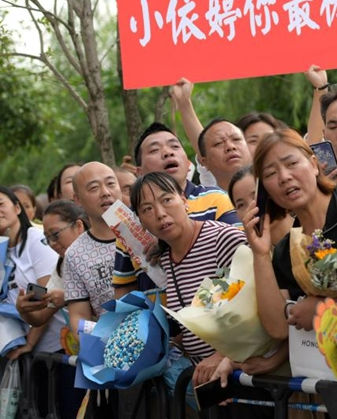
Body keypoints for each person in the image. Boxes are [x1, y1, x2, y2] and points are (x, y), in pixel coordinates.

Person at [249, 128, 337, 340]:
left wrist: (327, 308)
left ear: (313, 165)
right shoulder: (286, 250)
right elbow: (278, 329)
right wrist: (261, 254)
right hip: (327, 368)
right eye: (271, 174)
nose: (284, 177)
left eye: (291, 164)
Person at [129, 172, 248, 386]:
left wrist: (221, 355)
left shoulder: (222, 240)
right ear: (141, 222)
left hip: (241, 374)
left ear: (184, 200)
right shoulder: (165, 259)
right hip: (206, 381)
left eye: (166, 200)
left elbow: (254, 310)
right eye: (147, 209)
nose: (160, 213)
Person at [114, 122, 240, 298]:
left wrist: (171, 241)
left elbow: (241, 258)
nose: (167, 152)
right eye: (154, 150)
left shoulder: (218, 199)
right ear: (139, 172)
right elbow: (124, 291)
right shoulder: (129, 224)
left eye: (174, 146)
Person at [15, 200, 88, 419]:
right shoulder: (62, 265)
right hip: (82, 358)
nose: (53, 244)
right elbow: (39, 317)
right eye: (48, 239)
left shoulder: (106, 251)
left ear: (79, 226)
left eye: (56, 234)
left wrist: (68, 297)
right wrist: (23, 309)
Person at [0, 186, 62, 359]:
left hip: (54, 349)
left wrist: (30, 343)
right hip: (20, 351)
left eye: (0, 204)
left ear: (17, 208)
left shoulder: (36, 239)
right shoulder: (2, 250)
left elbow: (47, 296)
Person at [64, 162, 122, 333]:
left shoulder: (147, 226)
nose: (105, 192)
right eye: (94, 188)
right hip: (119, 347)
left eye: (111, 183)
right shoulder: (75, 255)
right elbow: (79, 316)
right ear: (77, 200)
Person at [227, 166, 293, 247]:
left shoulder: (310, 232)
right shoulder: (246, 256)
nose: (252, 207)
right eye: (241, 205)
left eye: (255, 195)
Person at [197, 118, 252, 192]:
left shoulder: (269, 188)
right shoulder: (204, 201)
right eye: (218, 143)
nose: (230, 146)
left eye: (236, 139)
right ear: (204, 162)